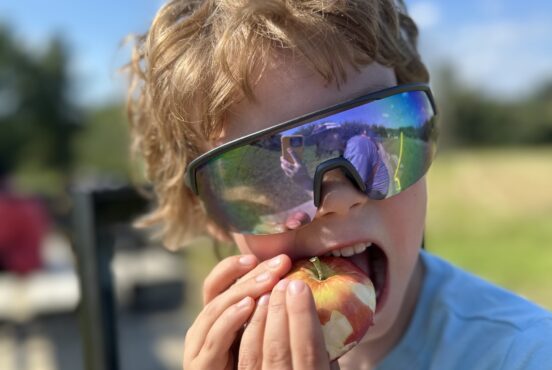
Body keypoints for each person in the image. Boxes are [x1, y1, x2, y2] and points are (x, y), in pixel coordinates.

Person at [126, 1, 552, 369]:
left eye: (375, 121)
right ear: (213, 217)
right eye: (271, 171)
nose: (340, 199)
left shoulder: (526, 355)